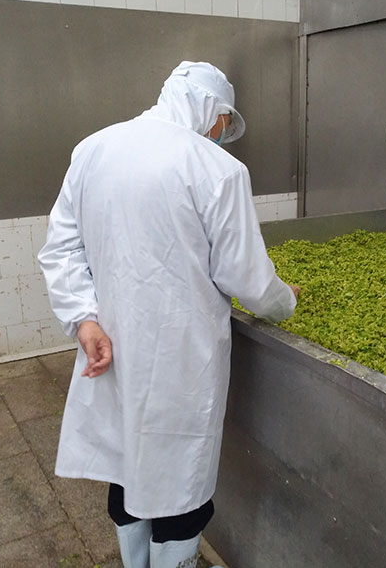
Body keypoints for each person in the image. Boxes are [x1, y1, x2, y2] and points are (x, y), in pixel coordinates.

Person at [39, 61, 299, 568]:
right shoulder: (217, 168)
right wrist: (284, 299)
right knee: (182, 486)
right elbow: (246, 278)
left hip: (112, 347)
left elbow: (61, 248)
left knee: (128, 467)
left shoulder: (94, 149)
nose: (223, 134)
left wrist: (83, 319)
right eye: (225, 122)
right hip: (184, 362)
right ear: (213, 111)